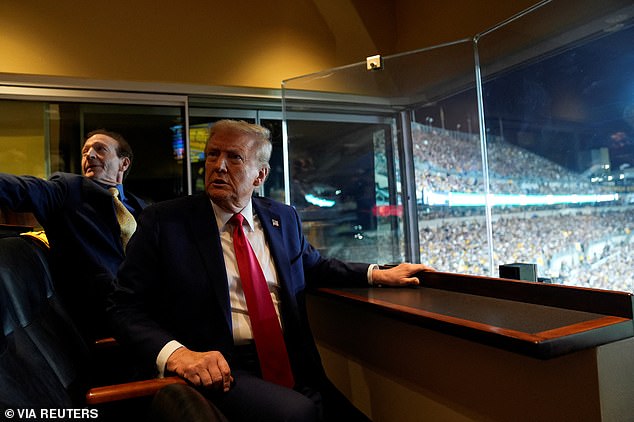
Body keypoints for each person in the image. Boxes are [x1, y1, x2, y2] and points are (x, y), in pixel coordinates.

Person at [108, 120, 434, 421]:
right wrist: (180, 356)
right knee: (299, 413)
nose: (218, 166)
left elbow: (313, 265)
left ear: (259, 176)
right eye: (212, 155)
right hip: (220, 367)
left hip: (293, 362)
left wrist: (376, 274)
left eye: (234, 157)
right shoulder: (164, 222)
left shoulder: (283, 218)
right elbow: (123, 308)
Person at [0, 129, 146, 342]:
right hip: (108, 318)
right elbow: (19, 189)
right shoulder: (68, 190)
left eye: (100, 149)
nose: (90, 155)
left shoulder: (141, 208)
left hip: (152, 305)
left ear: (124, 164)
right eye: (85, 151)